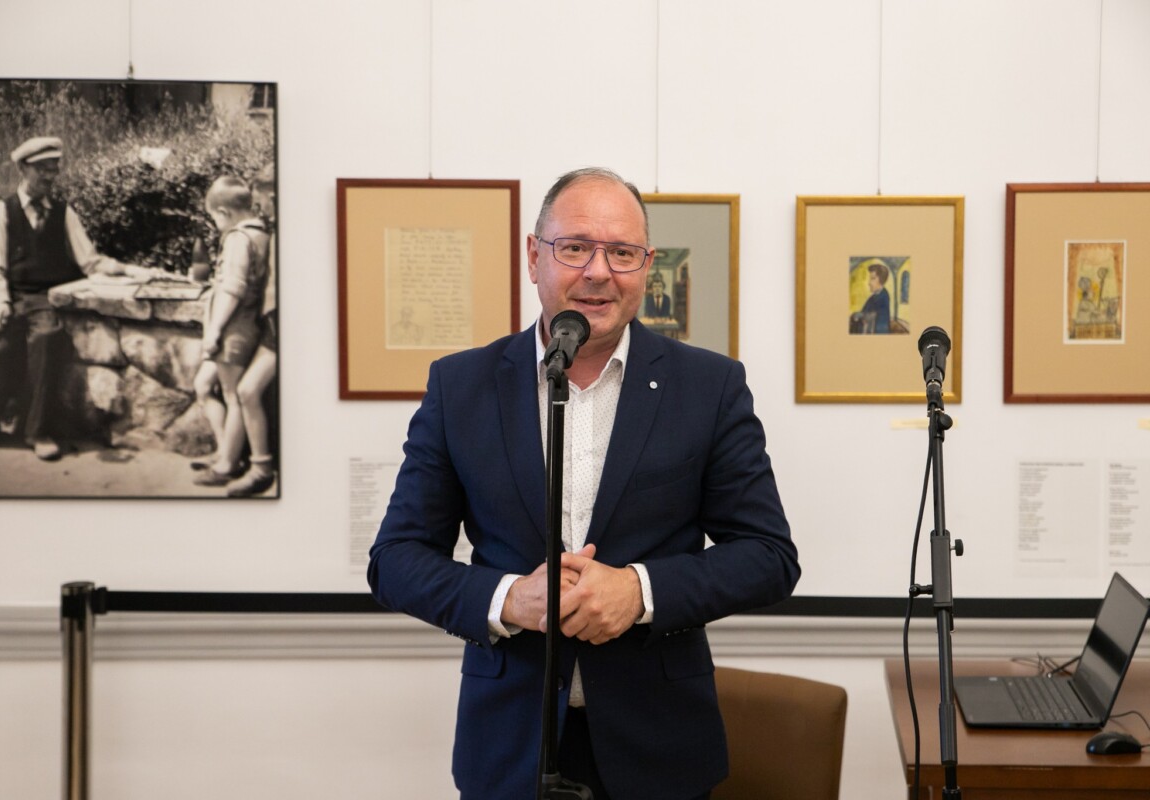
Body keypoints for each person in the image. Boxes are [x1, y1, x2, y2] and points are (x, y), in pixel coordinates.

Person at [368, 167, 800, 800]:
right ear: (533, 256)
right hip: (508, 748)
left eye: (622, 253)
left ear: (646, 265)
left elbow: (768, 556)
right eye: (574, 247)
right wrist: (509, 599)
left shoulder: (709, 387)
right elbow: (396, 559)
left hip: (660, 750)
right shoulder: (461, 386)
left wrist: (639, 590)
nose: (598, 272)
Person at [0, 135, 159, 460]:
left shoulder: (64, 213)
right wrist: (1, 304)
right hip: (10, 296)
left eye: (54, 169)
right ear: (23, 169)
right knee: (0, 346)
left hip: (46, 300)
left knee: (46, 339)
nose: (50, 176)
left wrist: (130, 271)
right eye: (42, 169)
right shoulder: (2, 212)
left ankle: (38, 431)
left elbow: (90, 262)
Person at [192, 175, 270, 487]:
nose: (215, 224)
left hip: (234, 329)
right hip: (244, 327)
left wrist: (214, 332)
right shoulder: (261, 234)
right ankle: (226, 450)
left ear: (224, 212)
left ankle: (228, 463)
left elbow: (233, 288)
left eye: (214, 217)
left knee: (232, 395)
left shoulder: (238, 237)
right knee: (203, 384)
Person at [225, 165, 279, 497]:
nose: (261, 208)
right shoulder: (277, 231)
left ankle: (261, 469)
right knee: (246, 391)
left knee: (246, 391)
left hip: (280, 329)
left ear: (272, 194)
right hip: (272, 326)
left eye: (262, 200)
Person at [851, 260, 891, 334]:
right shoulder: (872, 298)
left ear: (881, 280)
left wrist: (862, 316)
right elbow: (864, 313)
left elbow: (880, 327)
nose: (869, 283)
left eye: (873, 278)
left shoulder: (884, 298)